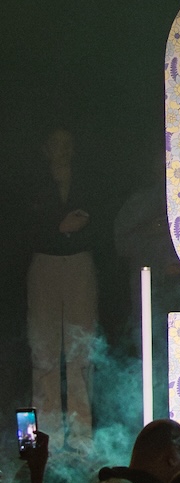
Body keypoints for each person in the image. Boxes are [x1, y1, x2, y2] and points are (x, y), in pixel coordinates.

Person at [26, 128, 98, 440]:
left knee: (81, 349)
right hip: (44, 261)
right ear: (45, 149)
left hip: (80, 261)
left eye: (68, 143)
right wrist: (58, 228)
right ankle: (46, 437)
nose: (63, 150)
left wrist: (72, 228)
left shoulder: (88, 178)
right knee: (44, 349)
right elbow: (21, 225)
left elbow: (101, 217)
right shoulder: (30, 181)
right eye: (56, 143)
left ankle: (82, 435)